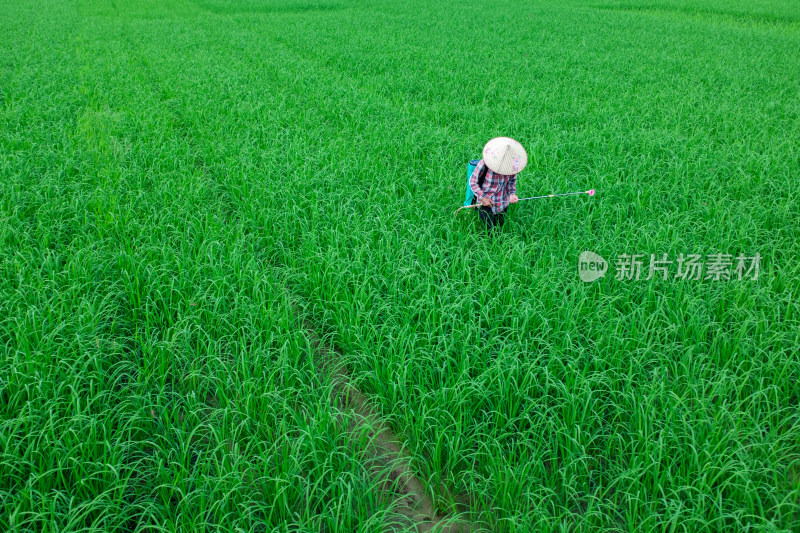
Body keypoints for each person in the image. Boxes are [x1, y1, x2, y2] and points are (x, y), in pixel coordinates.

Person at [469, 137, 527, 233]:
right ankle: (492, 245)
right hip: (485, 202)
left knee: (501, 227)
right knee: (492, 231)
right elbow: (473, 182)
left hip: (502, 202)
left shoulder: (512, 167)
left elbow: (512, 182)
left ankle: (501, 244)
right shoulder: (484, 164)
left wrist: (512, 194)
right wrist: (482, 197)